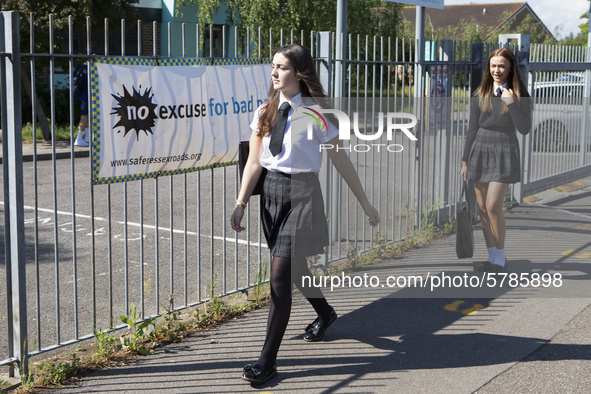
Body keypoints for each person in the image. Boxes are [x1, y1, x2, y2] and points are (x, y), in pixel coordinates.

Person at [230, 44, 380, 384]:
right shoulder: (264, 111)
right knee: (296, 269)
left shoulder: (318, 112)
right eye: (273, 67)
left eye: (281, 67)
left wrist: (365, 203)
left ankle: (266, 362)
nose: (274, 73)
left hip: (302, 194)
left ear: (299, 72)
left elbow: (341, 160)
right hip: (271, 194)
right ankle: (325, 313)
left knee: (280, 276)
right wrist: (240, 203)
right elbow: (254, 162)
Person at [459, 47, 533, 273]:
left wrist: (510, 103)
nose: (496, 70)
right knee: (481, 208)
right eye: (493, 65)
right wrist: (465, 160)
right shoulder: (480, 93)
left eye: (501, 66)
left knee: (492, 206)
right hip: (480, 148)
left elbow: (525, 129)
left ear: (511, 68)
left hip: (505, 148)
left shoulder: (519, 95)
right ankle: (492, 257)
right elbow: (472, 129)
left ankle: (501, 258)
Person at [73, 61, 90, 147]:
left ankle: (87, 137)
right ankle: (78, 139)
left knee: (86, 116)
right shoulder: (88, 69)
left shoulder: (79, 67)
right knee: (84, 117)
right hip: (85, 95)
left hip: (78, 95)